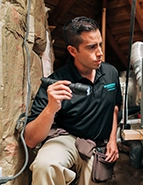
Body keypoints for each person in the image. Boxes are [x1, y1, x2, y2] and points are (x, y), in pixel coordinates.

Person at [24, 16, 122, 185]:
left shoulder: (111, 73)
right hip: (67, 139)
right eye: (92, 47)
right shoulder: (56, 82)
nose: (100, 53)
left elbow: (114, 106)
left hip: (97, 145)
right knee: (46, 165)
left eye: (100, 44)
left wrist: (113, 139)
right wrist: (51, 108)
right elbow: (30, 140)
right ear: (72, 51)